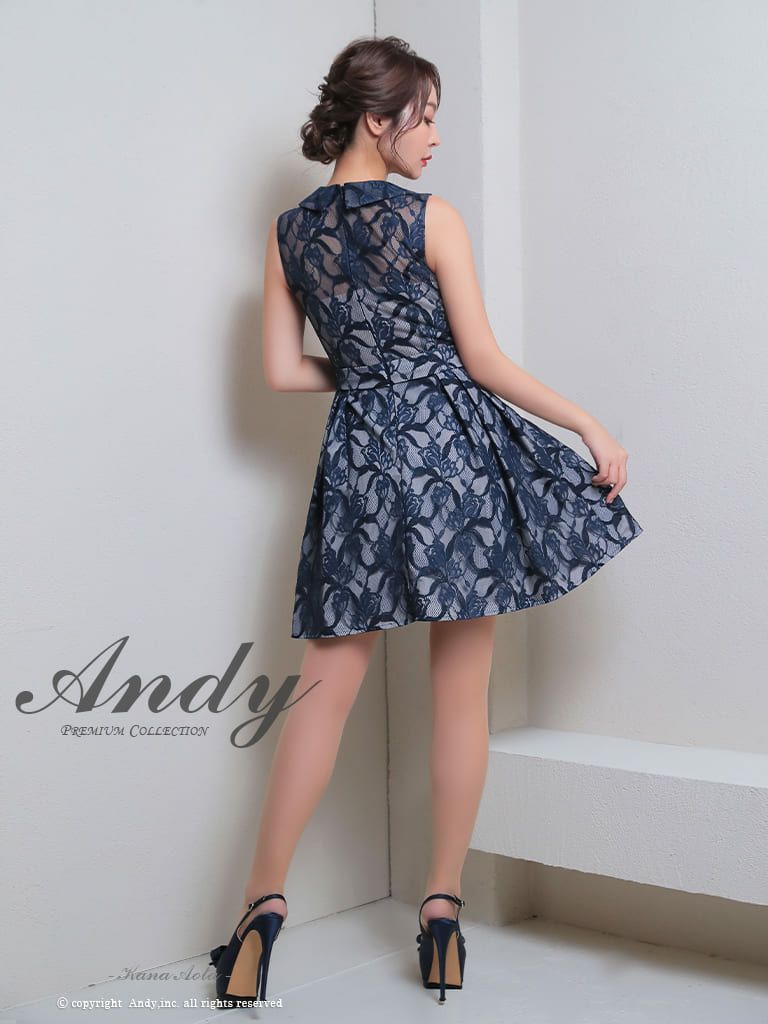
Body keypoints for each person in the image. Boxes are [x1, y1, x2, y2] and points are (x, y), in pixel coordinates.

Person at [210, 35, 644, 1007]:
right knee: (461, 694)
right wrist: (585, 422)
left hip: (361, 463)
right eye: (428, 116)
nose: (437, 137)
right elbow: (482, 362)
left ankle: (258, 911)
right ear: (379, 120)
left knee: (321, 696)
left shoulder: (288, 233)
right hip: (452, 463)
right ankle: (442, 912)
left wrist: (371, 371)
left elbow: (282, 371)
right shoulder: (430, 219)